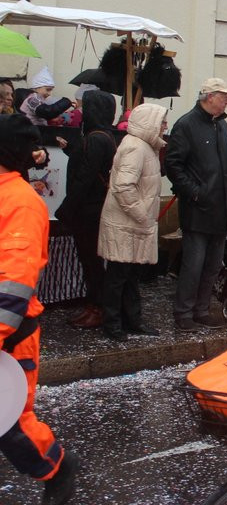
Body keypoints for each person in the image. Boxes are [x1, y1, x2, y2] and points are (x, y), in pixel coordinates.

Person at [0, 114, 80, 504]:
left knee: (10, 423)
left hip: (11, 336)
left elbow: (15, 283)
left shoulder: (20, 202)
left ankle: (58, 467)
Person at [164, 77, 227, 332]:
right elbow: (173, 165)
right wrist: (196, 193)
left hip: (221, 207)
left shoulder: (220, 125)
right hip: (199, 208)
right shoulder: (186, 124)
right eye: (224, 96)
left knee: (212, 265)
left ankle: (201, 309)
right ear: (210, 97)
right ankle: (184, 312)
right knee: (194, 264)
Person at [97, 104, 168, 342]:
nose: (165, 126)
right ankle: (113, 324)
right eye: (162, 121)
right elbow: (123, 187)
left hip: (131, 222)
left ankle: (131, 321)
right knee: (118, 276)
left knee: (129, 275)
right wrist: (142, 214)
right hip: (124, 223)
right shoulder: (136, 148)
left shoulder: (145, 146)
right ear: (149, 123)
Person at [55, 89, 118, 330]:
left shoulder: (95, 138)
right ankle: (94, 306)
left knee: (91, 261)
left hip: (88, 211)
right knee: (91, 261)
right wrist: (71, 149)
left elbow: (85, 177)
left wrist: (65, 209)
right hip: (93, 209)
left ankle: (97, 308)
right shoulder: (102, 136)